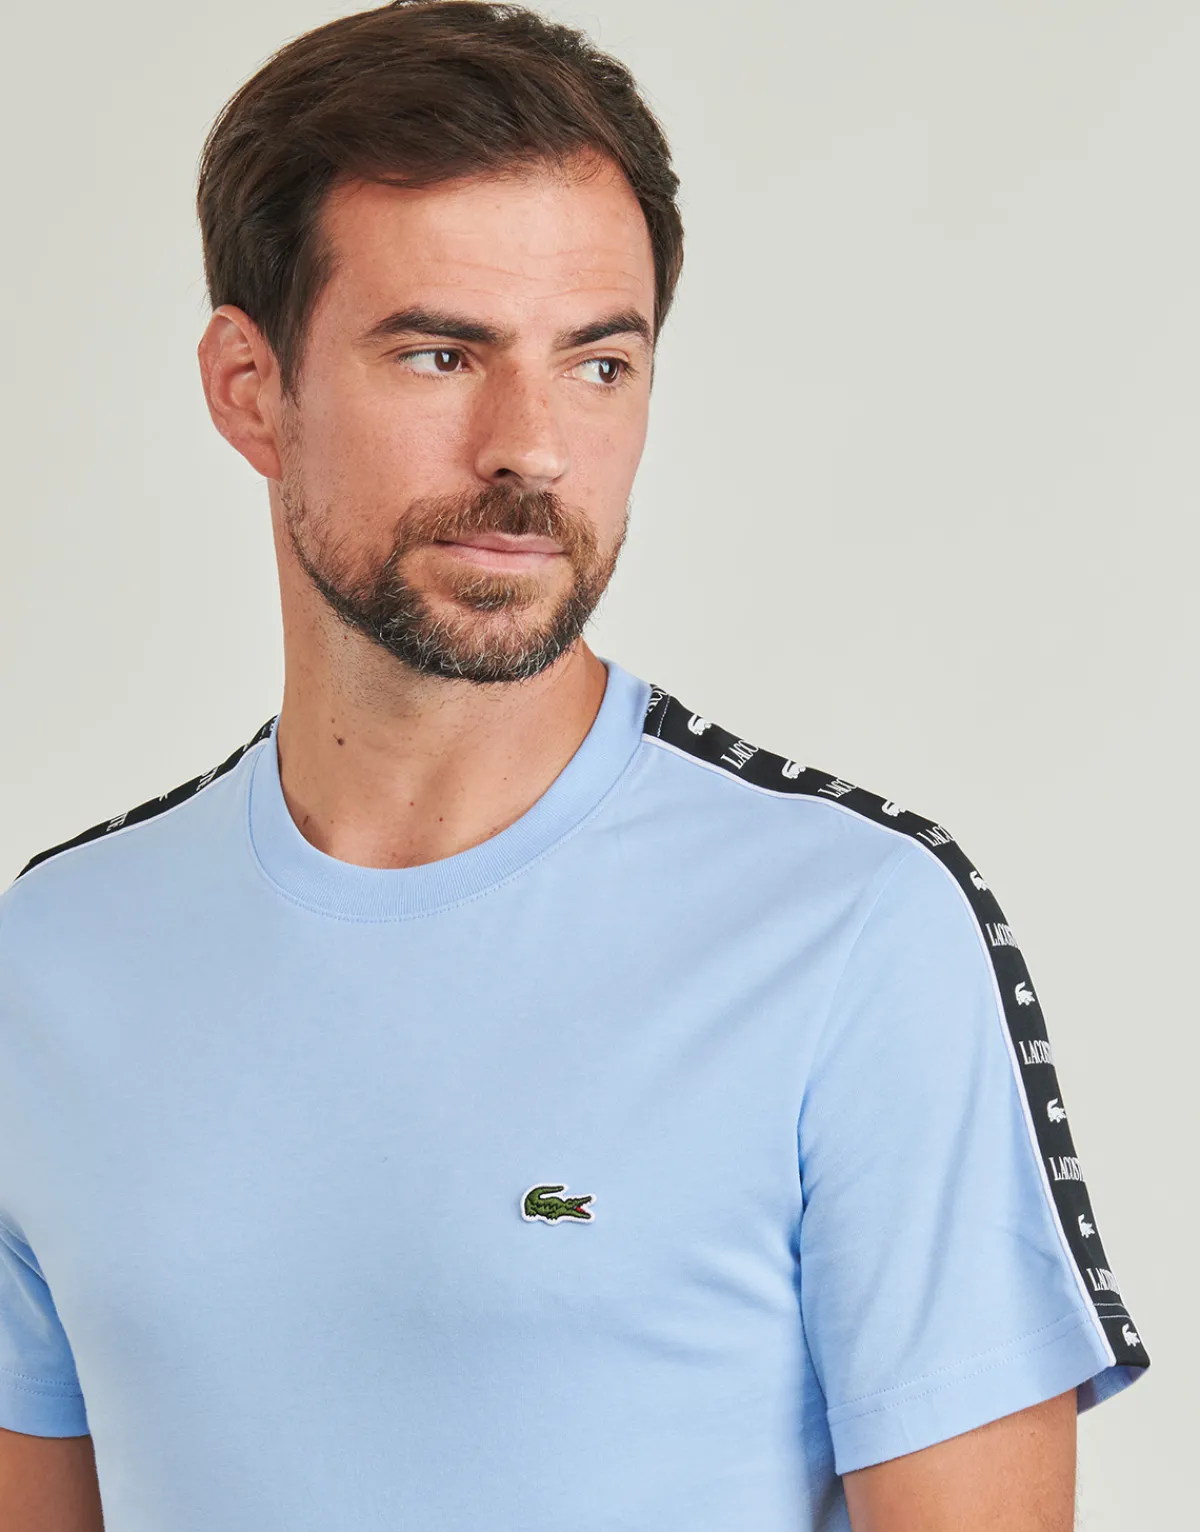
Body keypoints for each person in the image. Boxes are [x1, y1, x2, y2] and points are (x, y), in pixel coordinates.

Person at [0, 2, 1149, 1529]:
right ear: (250, 388)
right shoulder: (55, 958)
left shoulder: (851, 930)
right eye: (438, 355)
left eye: (599, 364)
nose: (530, 447)